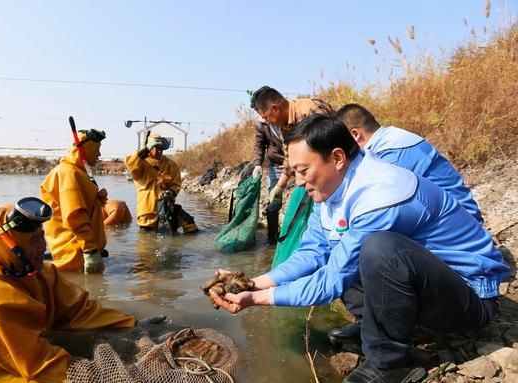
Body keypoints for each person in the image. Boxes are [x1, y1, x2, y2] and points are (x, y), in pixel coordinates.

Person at [209, 114, 508, 383]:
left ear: (337, 157)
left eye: (303, 170)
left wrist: (254, 299)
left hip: (469, 300)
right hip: (428, 287)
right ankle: (373, 326)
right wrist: (251, 282)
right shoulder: (330, 188)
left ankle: (390, 364)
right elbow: (312, 254)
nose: (298, 183)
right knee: (346, 248)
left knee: (379, 249)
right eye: (294, 171)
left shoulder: (380, 194)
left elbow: (330, 282)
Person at [0, 198, 137, 382]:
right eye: (32, 241)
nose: (43, 248)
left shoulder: (41, 273)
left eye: (41, 237)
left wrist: (130, 323)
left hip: (19, 353)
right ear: (9, 248)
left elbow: (81, 311)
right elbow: (43, 367)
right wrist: (100, 375)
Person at [330, 103, 484, 346]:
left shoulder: (391, 153)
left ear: (354, 136)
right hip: (429, 231)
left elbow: (381, 216)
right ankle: (371, 320)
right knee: (343, 242)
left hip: (453, 241)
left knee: (366, 245)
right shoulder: (386, 143)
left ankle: (389, 339)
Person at [336, 103, 482, 223]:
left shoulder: (392, 152)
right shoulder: (392, 139)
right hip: (455, 219)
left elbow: (377, 206)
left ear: (355, 134)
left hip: (461, 227)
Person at [40, 128, 109, 273]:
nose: (99, 154)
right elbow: (75, 216)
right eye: (97, 149)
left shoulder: (79, 172)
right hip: (75, 254)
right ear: (87, 149)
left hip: (81, 252)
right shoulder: (68, 173)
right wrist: (90, 250)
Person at [250, 85, 332, 205]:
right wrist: (279, 187)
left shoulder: (311, 111)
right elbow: (289, 159)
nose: (267, 122)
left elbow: (330, 150)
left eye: (266, 117)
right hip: (313, 180)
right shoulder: (284, 126)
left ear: (275, 109)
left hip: (330, 180)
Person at [124, 133, 198, 233]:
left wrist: (171, 191)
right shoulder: (141, 163)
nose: (159, 151)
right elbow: (131, 165)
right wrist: (145, 150)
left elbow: (176, 183)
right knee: (147, 239)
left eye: (161, 148)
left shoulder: (170, 164)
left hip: (167, 207)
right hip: (148, 211)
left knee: (190, 225)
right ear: (149, 148)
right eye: (156, 147)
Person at [251, 117, 284, 244]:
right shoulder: (261, 124)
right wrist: (257, 164)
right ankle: (272, 239)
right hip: (275, 164)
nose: (264, 117)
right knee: (273, 200)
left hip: (296, 161)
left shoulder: (286, 116)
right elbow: (259, 145)